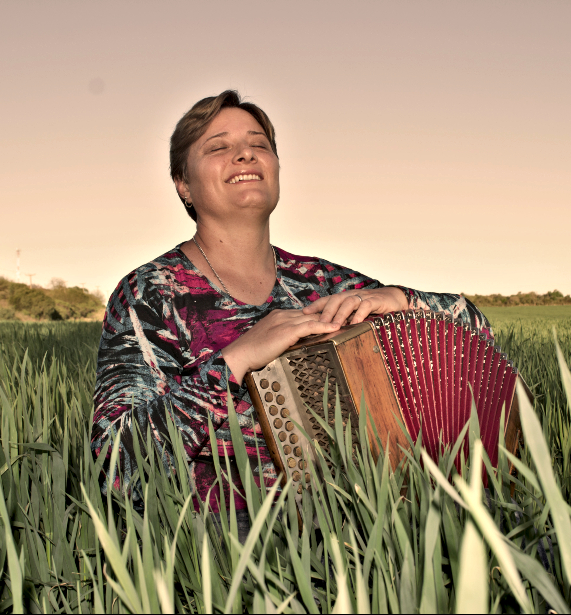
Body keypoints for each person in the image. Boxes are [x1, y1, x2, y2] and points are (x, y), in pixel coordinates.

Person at [91, 90, 493, 540]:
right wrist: (237, 361)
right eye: (218, 146)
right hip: (226, 547)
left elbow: (478, 341)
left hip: (363, 520)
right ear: (183, 183)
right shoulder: (151, 293)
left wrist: (402, 298)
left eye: (259, 143)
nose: (245, 152)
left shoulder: (322, 282)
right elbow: (115, 467)